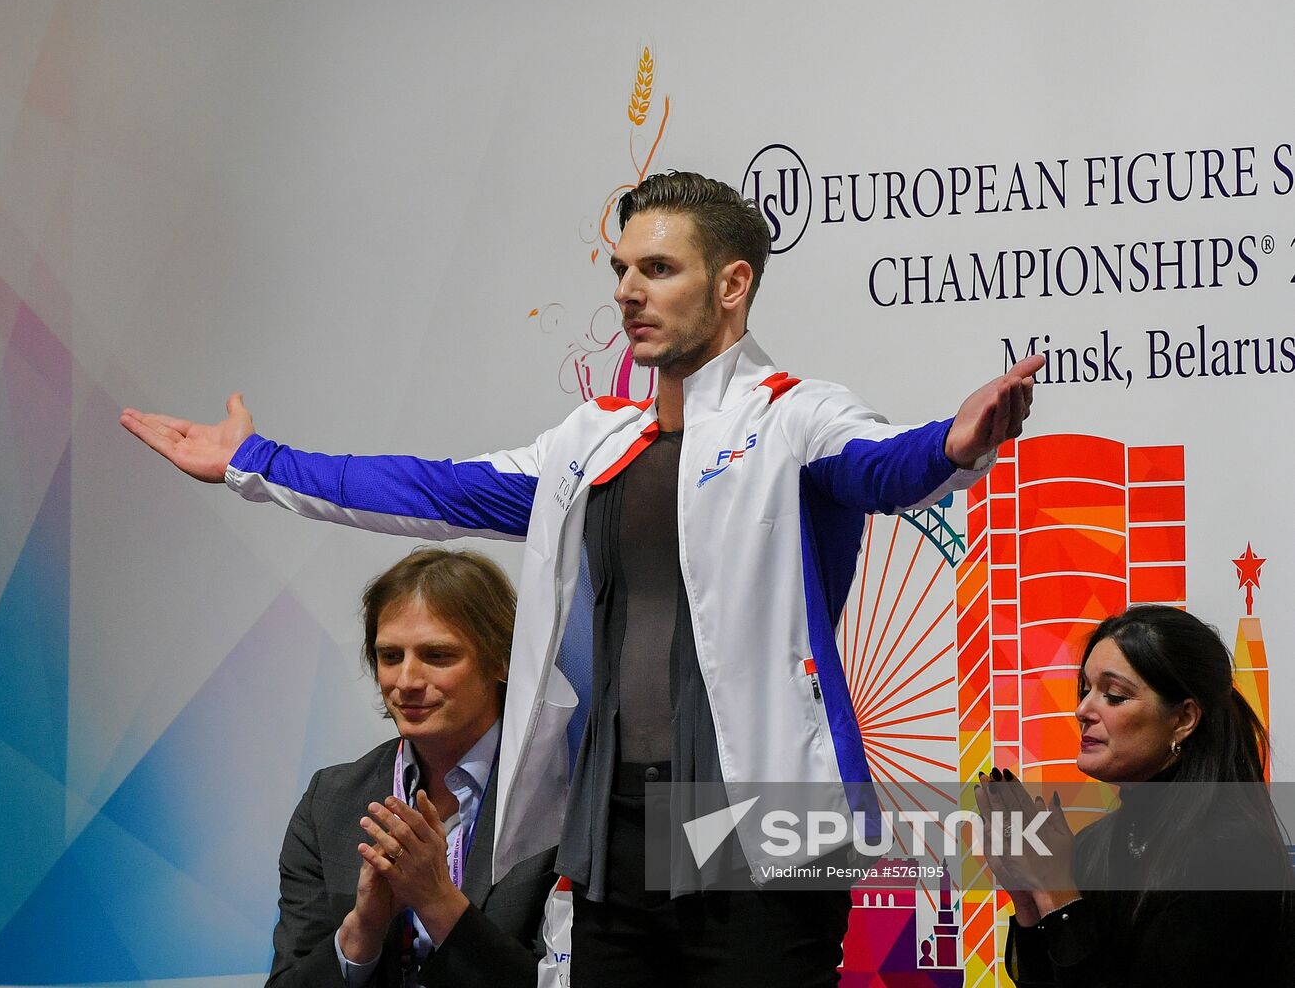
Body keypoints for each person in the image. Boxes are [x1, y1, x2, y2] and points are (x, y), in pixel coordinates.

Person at [124, 170, 1043, 986]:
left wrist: (958, 444)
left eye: (658, 269)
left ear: (733, 284)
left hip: (769, 826)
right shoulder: (592, 443)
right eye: (621, 270)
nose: (629, 292)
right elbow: (427, 488)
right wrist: (258, 461)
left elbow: (885, 463)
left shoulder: (795, 419)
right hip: (616, 827)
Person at [267, 548, 557, 988]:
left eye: (437, 655)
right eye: (390, 657)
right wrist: (361, 934)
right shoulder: (329, 800)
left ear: (501, 660)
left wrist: (438, 903)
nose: (406, 682)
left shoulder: (566, 797)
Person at [975, 604, 1295, 986]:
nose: (1082, 710)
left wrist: (1057, 893)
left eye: (1113, 695)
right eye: (1085, 690)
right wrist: (1028, 896)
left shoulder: (1231, 854)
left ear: (1183, 719)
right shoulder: (1094, 844)